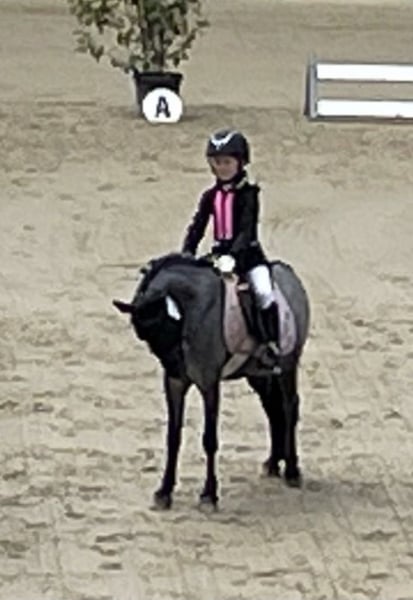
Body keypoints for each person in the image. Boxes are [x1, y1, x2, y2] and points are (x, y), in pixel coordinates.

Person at [181, 129, 280, 369]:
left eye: (227, 162)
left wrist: (232, 255)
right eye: (217, 163)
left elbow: (246, 230)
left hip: (247, 256)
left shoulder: (249, 194)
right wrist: (187, 253)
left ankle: (270, 343)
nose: (222, 168)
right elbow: (198, 226)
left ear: (240, 162)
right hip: (219, 256)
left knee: (264, 292)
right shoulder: (210, 196)